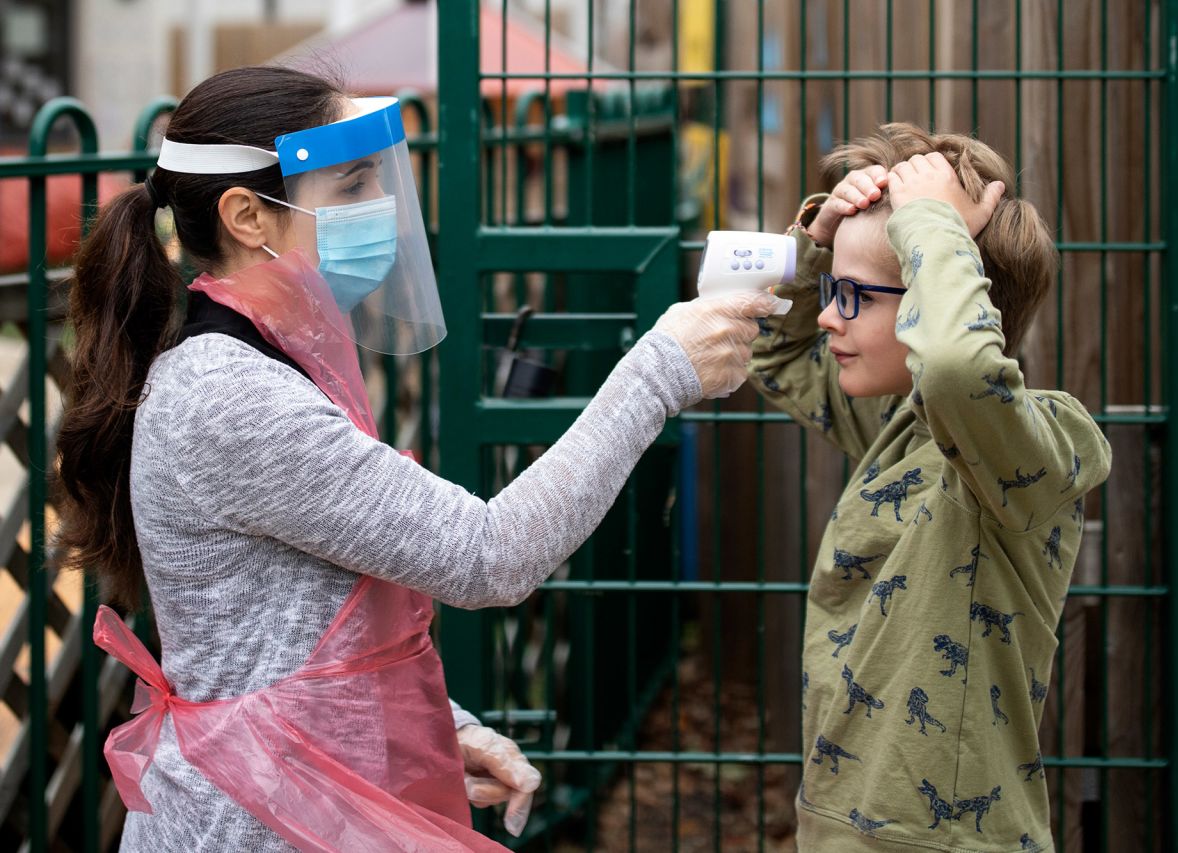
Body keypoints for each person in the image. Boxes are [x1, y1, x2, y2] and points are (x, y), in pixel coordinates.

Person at [54, 66, 781, 852]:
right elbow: (488, 554)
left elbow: (290, 627)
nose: (386, 209)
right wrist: (657, 372)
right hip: (255, 816)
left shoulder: (268, 359)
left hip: (295, 794)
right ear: (247, 216)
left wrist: (443, 727)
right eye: (355, 185)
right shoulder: (230, 393)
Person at [749, 123, 1111, 851]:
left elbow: (954, 364)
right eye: (828, 291)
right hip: (838, 826)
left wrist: (931, 225)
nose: (827, 315)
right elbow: (768, 347)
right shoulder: (900, 422)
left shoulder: (1034, 442)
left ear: (938, 293)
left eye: (854, 295)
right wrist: (818, 237)